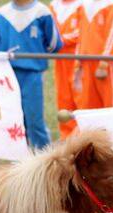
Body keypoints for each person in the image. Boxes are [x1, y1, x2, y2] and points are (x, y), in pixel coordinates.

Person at [0, 0, 62, 150]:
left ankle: (44, 158)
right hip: (7, 73)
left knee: (34, 120)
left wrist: (36, 53)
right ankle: (18, 158)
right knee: (12, 118)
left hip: (32, 74)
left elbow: (54, 44)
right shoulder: (2, 13)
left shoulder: (41, 12)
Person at [76, 0, 113, 109]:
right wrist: (78, 62)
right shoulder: (84, 5)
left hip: (107, 64)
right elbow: (81, 35)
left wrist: (104, 62)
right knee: (88, 108)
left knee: (112, 108)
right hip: (87, 62)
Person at [50, 0, 83, 138]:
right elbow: (49, 31)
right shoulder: (54, 5)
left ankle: (82, 134)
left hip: (78, 59)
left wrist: (60, 40)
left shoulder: (83, 4)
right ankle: (67, 137)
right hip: (60, 59)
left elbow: (83, 32)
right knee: (64, 98)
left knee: (80, 97)